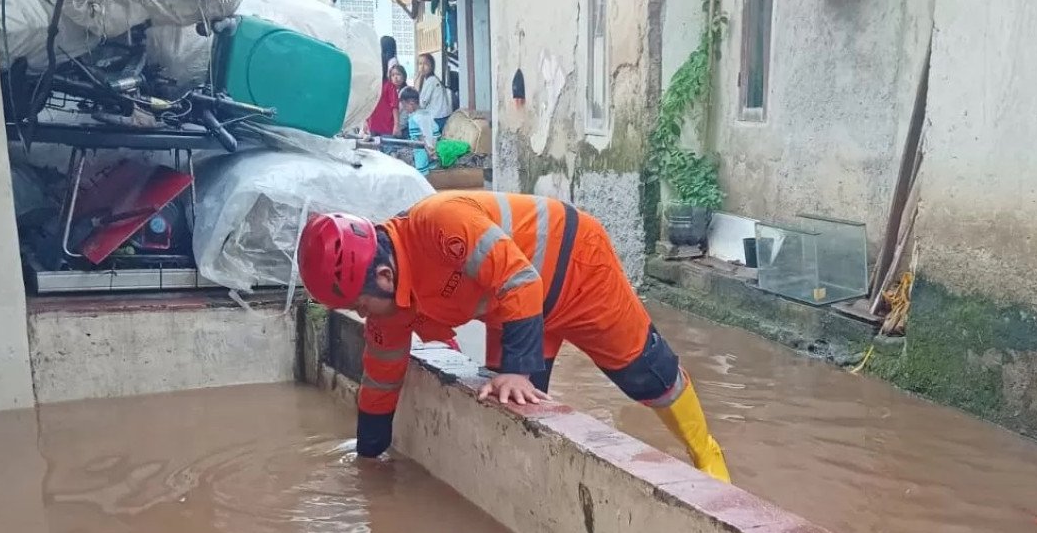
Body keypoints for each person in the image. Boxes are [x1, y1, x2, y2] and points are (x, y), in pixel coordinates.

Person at [295, 192, 732, 482]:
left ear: (385, 277)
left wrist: (517, 370)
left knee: (648, 375)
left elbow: (520, 279)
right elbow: (380, 383)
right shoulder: (389, 307)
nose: (362, 315)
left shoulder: (439, 223)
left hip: (578, 270)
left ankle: (706, 454)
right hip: (518, 313)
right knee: (518, 414)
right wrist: (369, 460)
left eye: (360, 306)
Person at [399, 86, 440, 177]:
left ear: (411, 103)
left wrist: (428, 150)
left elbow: (420, 138)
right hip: (433, 148)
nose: (405, 110)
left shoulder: (413, 119)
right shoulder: (427, 114)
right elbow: (436, 131)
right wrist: (432, 148)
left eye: (405, 106)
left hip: (421, 151)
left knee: (422, 174)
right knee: (431, 172)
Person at [415, 53, 453, 130]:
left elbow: (422, 103)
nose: (422, 67)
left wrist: (418, 79)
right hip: (441, 117)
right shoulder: (433, 79)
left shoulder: (431, 81)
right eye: (420, 64)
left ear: (432, 66)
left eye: (425, 64)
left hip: (436, 118)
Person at [366, 64, 401, 139]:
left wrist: (396, 125)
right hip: (372, 126)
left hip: (387, 127)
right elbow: (366, 105)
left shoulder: (389, 85)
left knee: (388, 149)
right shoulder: (370, 85)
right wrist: (365, 122)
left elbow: (395, 106)